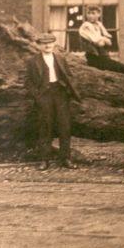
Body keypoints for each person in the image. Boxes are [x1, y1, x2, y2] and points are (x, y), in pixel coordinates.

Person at [25, 33, 82, 170]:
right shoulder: (33, 61)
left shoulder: (60, 59)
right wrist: (37, 96)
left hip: (60, 94)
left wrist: (69, 92)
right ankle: (44, 160)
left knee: (65, 126)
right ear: (38, 45)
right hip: (44, 95)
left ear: (54, 44)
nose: (47, 45)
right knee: (45, 126)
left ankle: (65, 159)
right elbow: (28, 82)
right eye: (44, 43)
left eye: (50, 42)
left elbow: (69, 76)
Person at [78, 6, 124, 75]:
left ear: (99, 14)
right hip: (94, 58)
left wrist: (103, 39)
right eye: (88, 13)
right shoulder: (86, 26)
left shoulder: (99, 25)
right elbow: (99, 43)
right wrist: (104, 39)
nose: (90, 15)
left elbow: (109, 42)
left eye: (93, 13)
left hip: (103, 57)